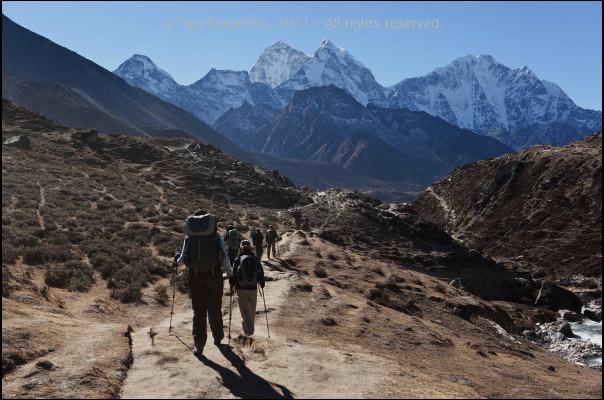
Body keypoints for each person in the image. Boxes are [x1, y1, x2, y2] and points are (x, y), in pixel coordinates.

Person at [175, 209, 233, 357]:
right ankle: (218, 338)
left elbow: (181, 261)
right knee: (214, 308)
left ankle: (199, 345)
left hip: (195, 277)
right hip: (214, 276)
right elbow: (224, 257)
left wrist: (176, 261)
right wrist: (231, 274)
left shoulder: (189, 238)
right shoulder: (216, 236)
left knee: (199, 311)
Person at [229, 240, 265, 339]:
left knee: (244, 311)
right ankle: (250, 331)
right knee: (252, 310)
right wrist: (262, 283)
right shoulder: (255, 258)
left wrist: (232, 285)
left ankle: (248, 332)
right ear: (250, 247)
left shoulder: (238, 259)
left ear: (241, 247)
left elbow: (233, 274)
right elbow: (261, 272)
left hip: (241, 288)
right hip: (253, 288)